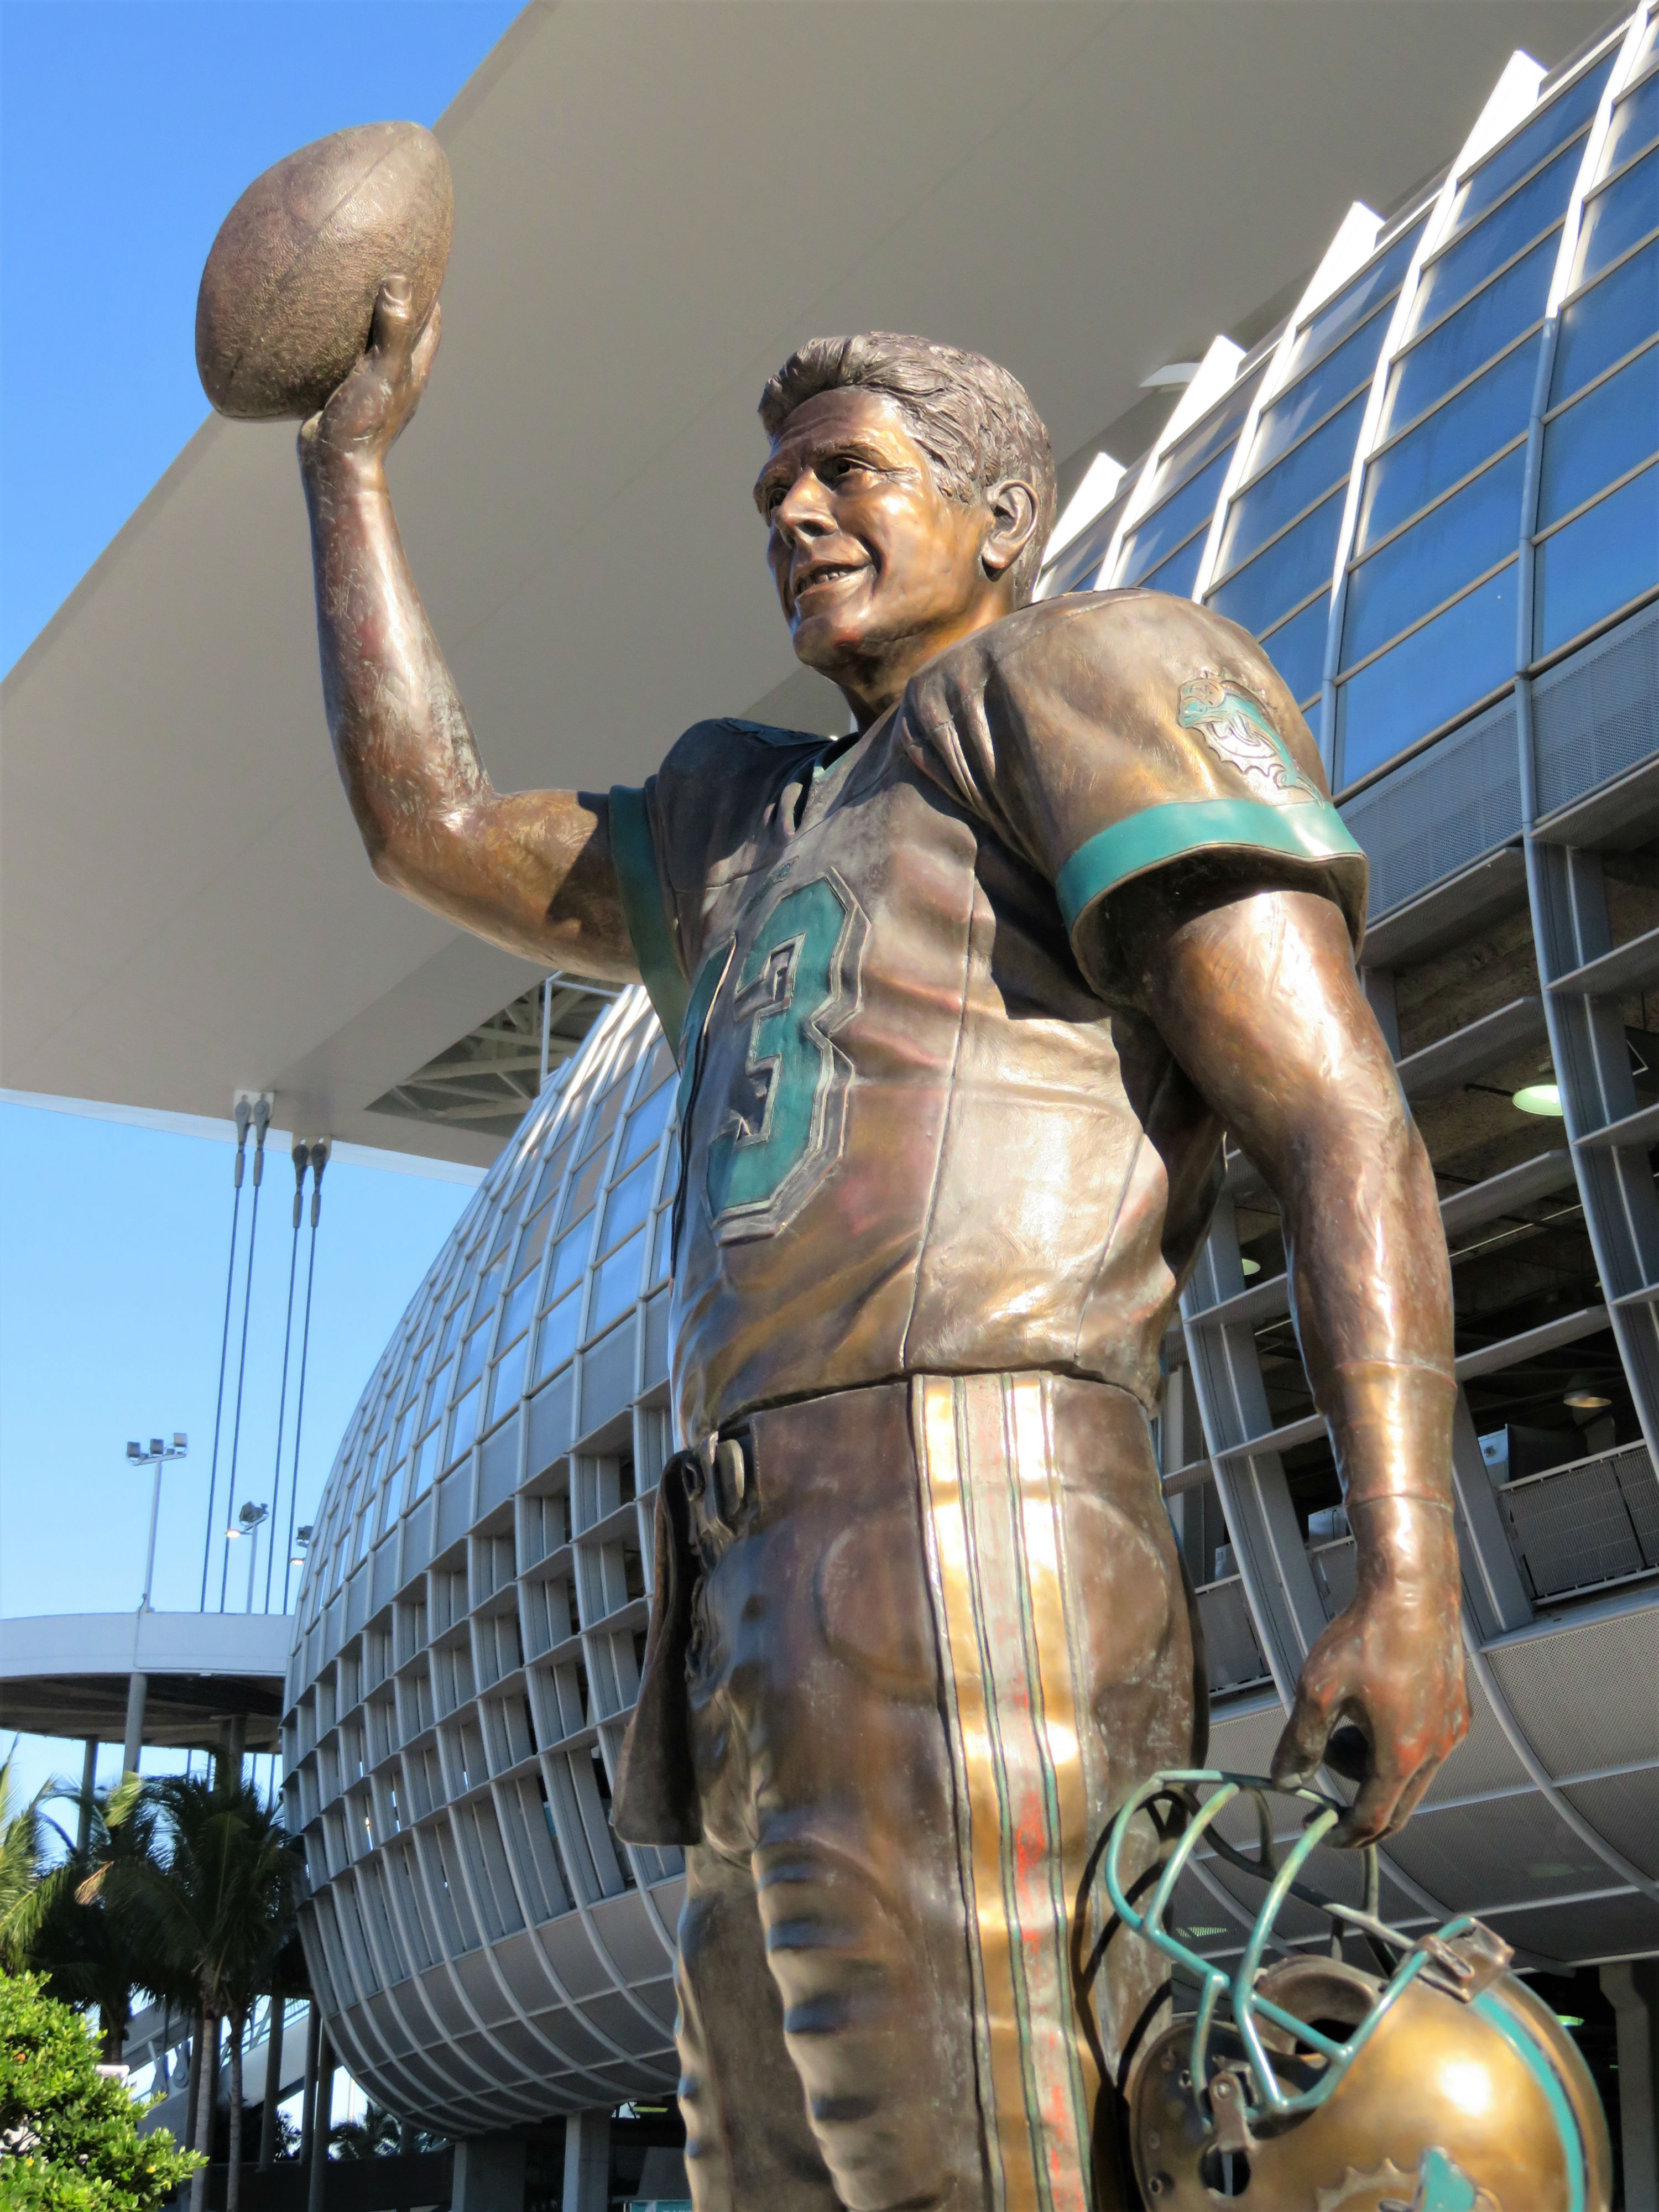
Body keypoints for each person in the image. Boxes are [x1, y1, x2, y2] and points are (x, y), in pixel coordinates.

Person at [297, 287, 1469, 2212]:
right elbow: (427, 826)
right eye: (774, 486)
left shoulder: (1089, 672)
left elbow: (1341, 1117)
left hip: (979, 1504)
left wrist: (1409, 1561)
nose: (798, 513)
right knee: (779, 2161)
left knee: (985, 2155)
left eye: (852, 470)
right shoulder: (747, 814)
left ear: (1004, 517)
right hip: (750, 1565)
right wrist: (346, 471)